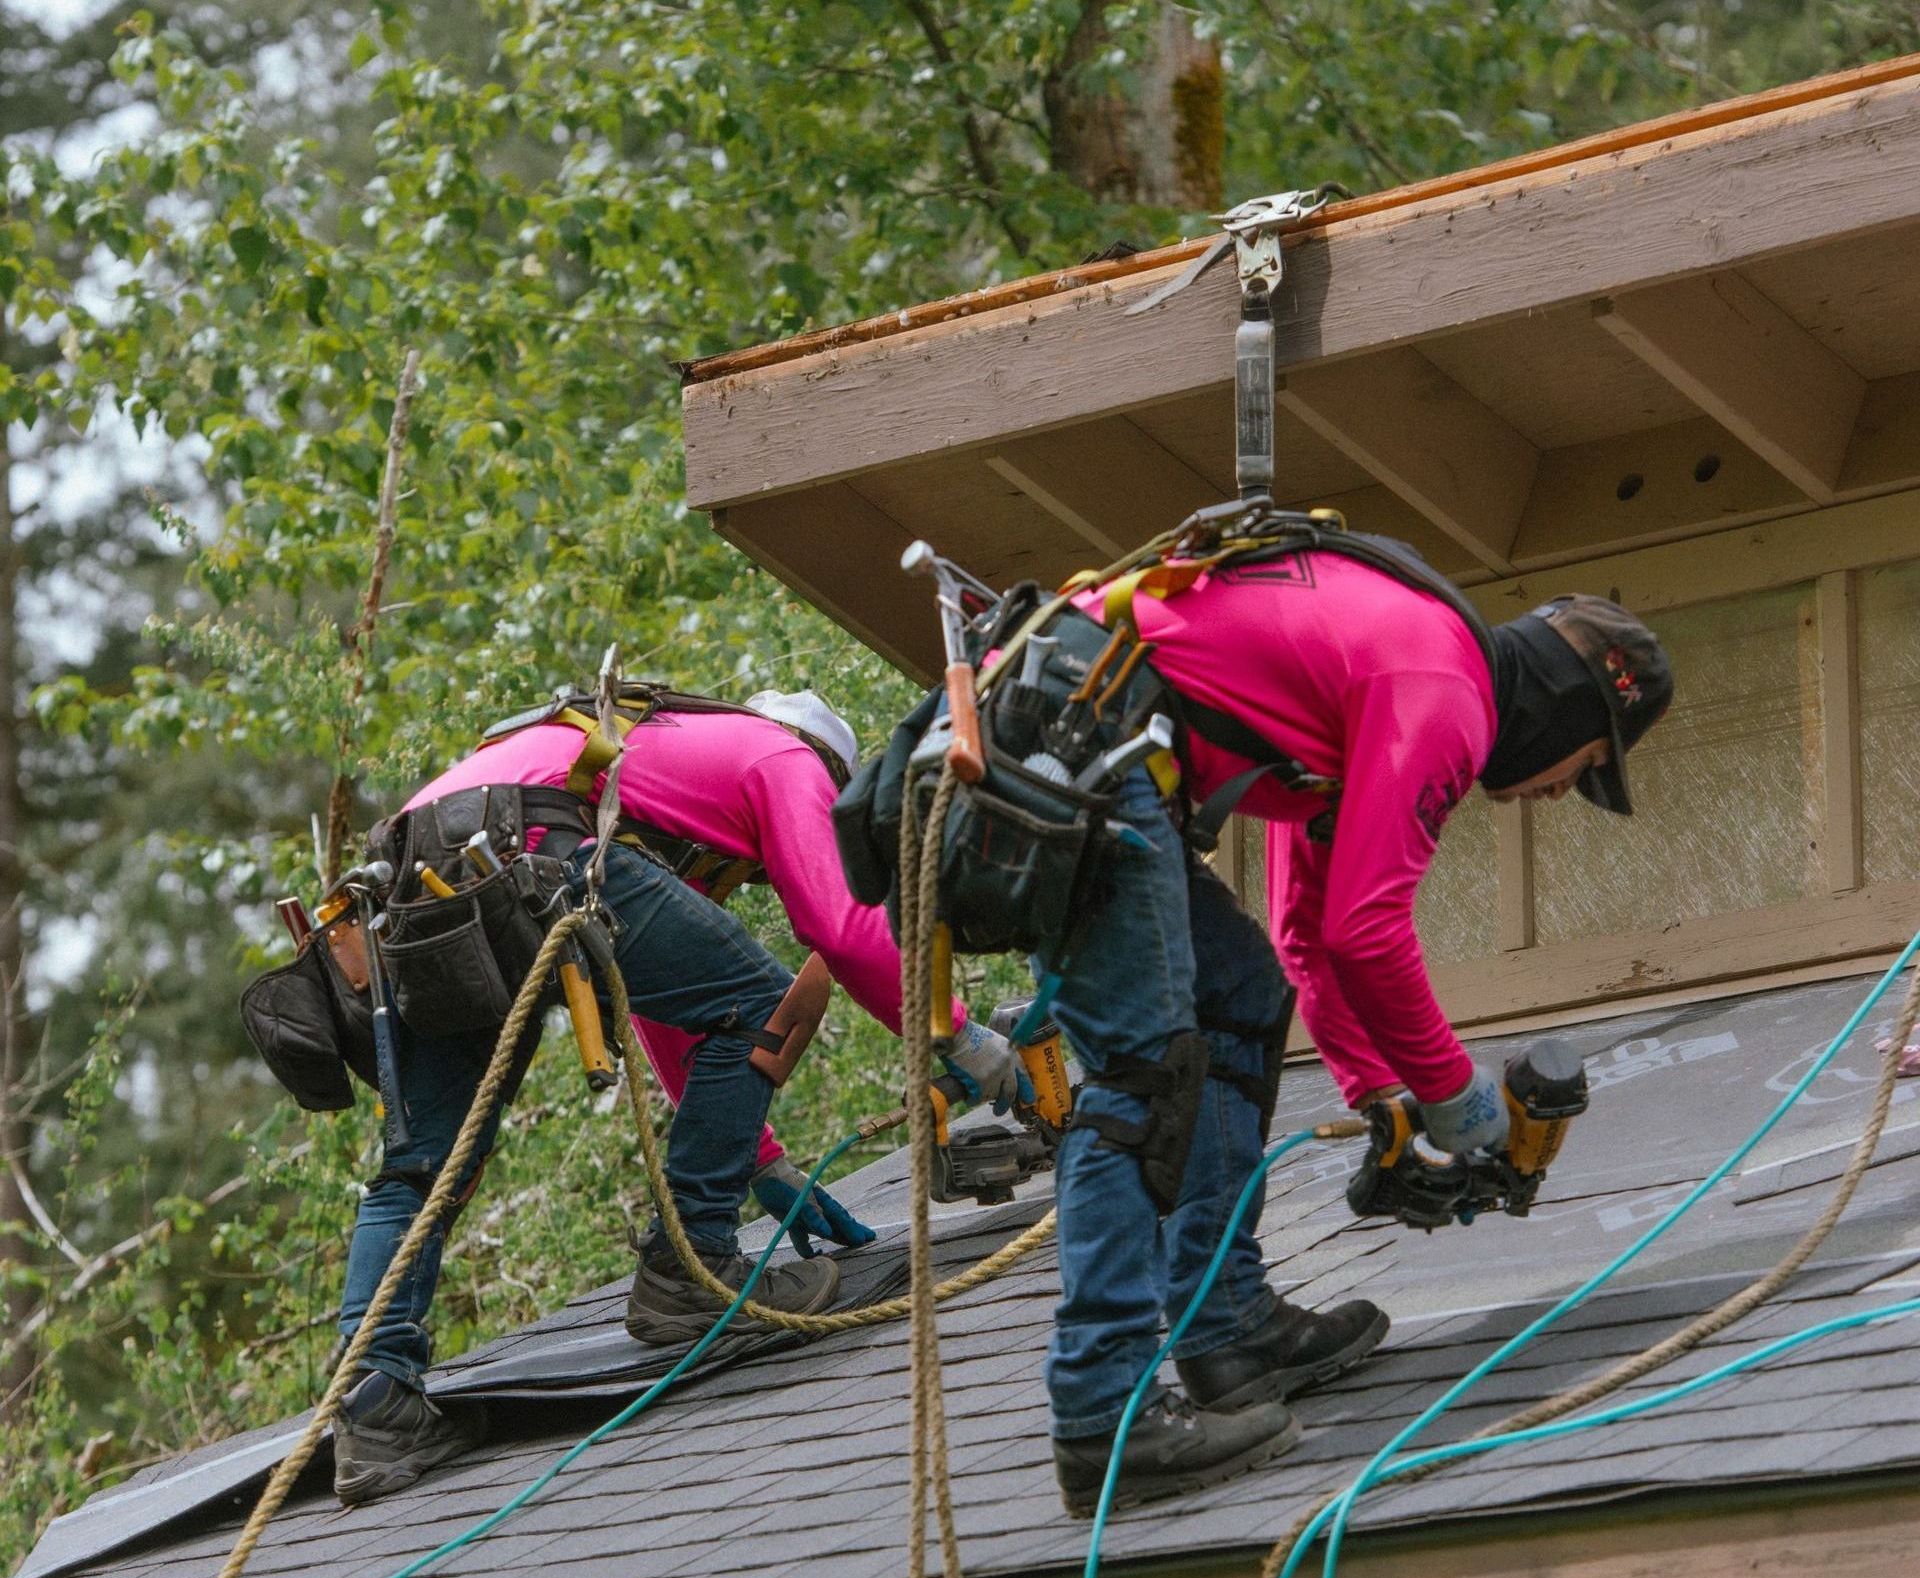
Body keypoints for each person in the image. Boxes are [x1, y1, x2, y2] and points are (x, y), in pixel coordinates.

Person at [1040, 560, 1673, 1515]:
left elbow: (1308, 929)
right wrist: (1458, 1102)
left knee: (1241, 996)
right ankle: (1104, 1417)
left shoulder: (1406, 665)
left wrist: (1380, 1088)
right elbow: (1365, 930)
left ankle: (1225, 1332)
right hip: (1078, 748)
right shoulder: (1445, 693)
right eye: (1584, 765)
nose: (1559, 792)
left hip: (1086, 737)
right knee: (1144, 1075)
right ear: (1564, 709)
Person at [331, 684, 1025, 1505]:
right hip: (524, 846)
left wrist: (760, 1163)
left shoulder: (647, 753)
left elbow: (660, 1000)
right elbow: (837, 928)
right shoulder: (785, 757)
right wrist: (962, 1037)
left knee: (424, 1162)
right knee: (767, 999)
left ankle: (373, 1406)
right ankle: (690, 1275)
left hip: (411, 873)